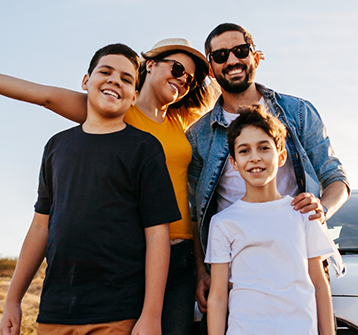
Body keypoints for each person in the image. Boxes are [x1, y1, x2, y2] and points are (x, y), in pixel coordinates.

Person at [0, 38, 212, 335]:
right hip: (140, 253)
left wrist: (239, 60)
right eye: (177, 68)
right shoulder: (120, 109)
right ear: (150, 65)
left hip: (183, 256)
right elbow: (44, 96)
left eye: (189, 80)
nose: (182, 80)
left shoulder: (181, 121)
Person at [186, 23, 350, 317]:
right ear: (211, 69)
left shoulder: (299, 112)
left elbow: (336, 178)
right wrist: (202, 271)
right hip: (235, 267)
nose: (232, 61)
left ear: (256, 57)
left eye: (240, 51)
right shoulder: (199, 135)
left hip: (301, 259)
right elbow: (196, 211)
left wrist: (321, 210)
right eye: (221, 55)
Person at [205, 104, 335, 335]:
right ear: (234, 163)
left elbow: (320, 285)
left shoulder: (303, 212)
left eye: (264, 148)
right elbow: (217, 296)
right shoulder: (223, 222)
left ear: (281, 156)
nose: (254, 158)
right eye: (244, 151)